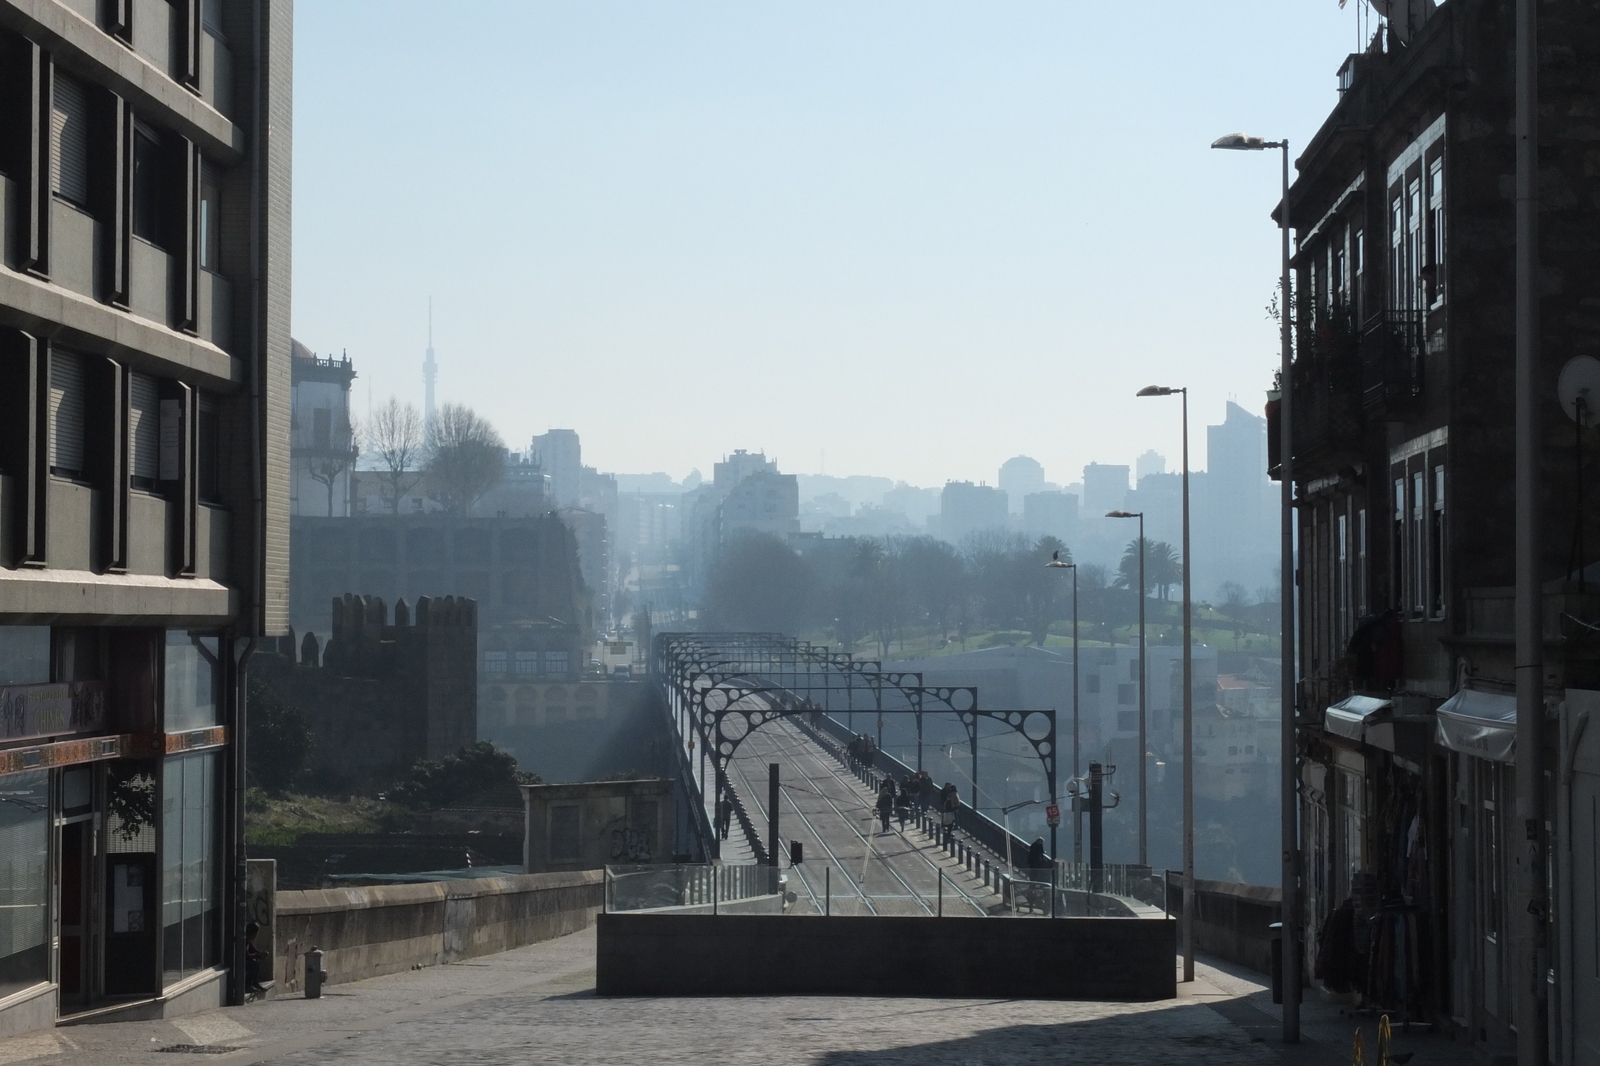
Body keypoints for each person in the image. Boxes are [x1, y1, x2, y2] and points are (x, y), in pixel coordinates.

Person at [939, 782, 960, 847]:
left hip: (949, 810)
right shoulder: (954, 794)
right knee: (950, 823)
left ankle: (947, 834)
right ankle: (948, 835)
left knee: (948, 822)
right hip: (952, 810)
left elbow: (947, 803)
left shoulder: (951, 795)